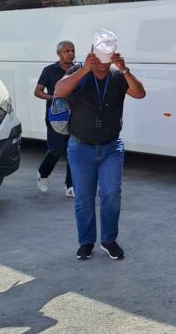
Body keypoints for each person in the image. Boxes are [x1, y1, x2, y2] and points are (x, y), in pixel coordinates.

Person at [54, 46, 146, 261]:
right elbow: (59, 90)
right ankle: (86, 242)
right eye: (99, 56)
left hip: (111, 147)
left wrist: (124, 69)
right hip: (80, 147)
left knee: (111, 194)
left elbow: (139, 93)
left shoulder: (118, 76)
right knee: (84, 197)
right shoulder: (79, 71)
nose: (103, 62)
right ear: (92, 55)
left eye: (108, 57)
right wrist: (85, 69)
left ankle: (109, 240)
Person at [34, 41, 80, 197]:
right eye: (67, 51)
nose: (71, 53)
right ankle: (43, 172)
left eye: (72, 50)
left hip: (76, 115)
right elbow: (38, 91)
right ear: (59, 53)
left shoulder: (78, 70)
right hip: (56, 116)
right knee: (56, 149)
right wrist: (53, 97)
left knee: (73, 150)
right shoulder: (49, 70)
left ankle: (70, 186)